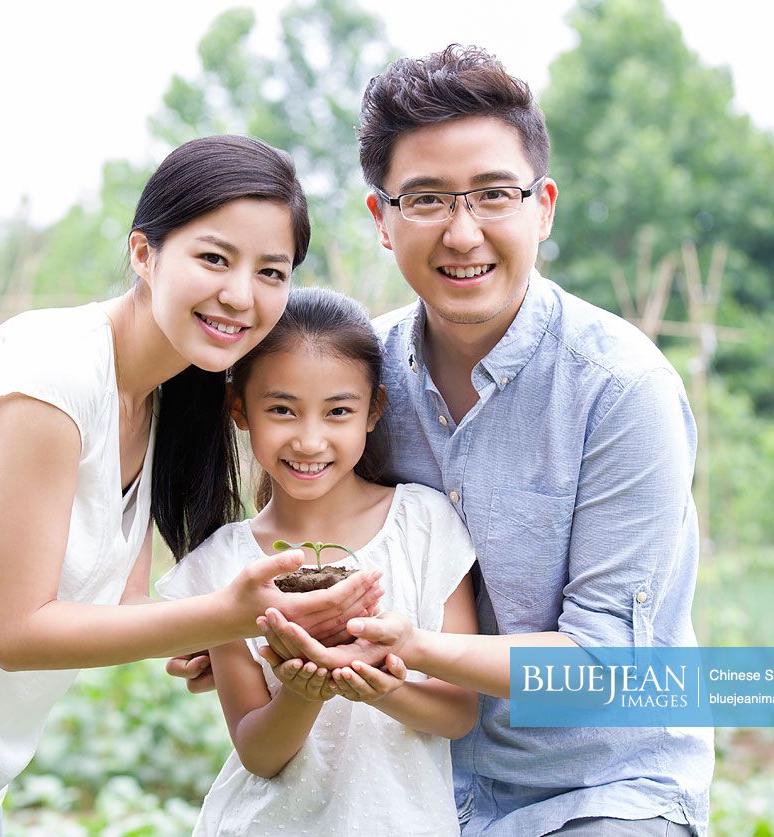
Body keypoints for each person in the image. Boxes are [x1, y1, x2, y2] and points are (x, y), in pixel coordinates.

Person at [0, 135, 383, 837]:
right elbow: (18, 632)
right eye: (214, 258)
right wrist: (224, 615)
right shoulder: (54, 376)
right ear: (144, 255)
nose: (241, 294)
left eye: (272, 271)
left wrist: (233, 635)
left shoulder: (157, 400)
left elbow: (122, 602)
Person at [252, 46, 715, 835]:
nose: (462, 233)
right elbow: (294, 542)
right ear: (381, 221)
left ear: (542, 207)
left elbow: (603, 669)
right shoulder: (352, 382)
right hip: (402, 776)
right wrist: (248, 628)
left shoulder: (619, 387)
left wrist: (416, 645)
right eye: (426, 199)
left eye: (495, 194)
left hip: (598, 790)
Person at [156, 287, 479, 835]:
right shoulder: (224, 566)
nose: (309, 440)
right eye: (281, 409)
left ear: (373, 410)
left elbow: (459, 713)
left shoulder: (425, 525)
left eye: (338, 412)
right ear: (239, 409)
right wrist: (303, 694)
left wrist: (382, 686)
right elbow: (259, 753)